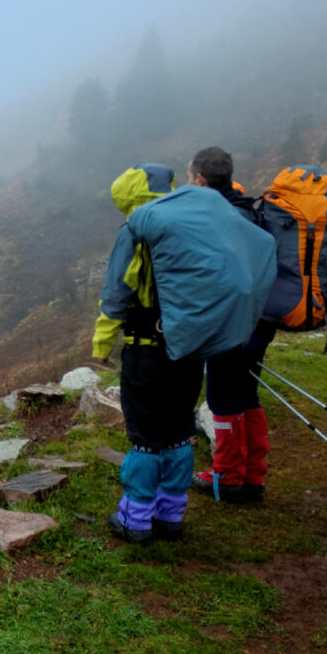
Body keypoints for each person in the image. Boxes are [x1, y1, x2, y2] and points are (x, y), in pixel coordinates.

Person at [93, 163, 203, 543]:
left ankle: (135, 520)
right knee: (178, 430)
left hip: (147, 351)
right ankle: (171, 515)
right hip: (190, 350)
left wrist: (103, 343)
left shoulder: (136, 228)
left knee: (144, 436)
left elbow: (116, 293)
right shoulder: (192, 222)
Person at [188, 147, 277, 503]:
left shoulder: (213, 217)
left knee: (222, 397)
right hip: (260, 321)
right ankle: (254, 476)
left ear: (200, 179)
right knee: (246, 394)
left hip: (230, 324)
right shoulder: (249, 210)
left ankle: (226, 475)